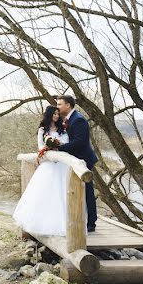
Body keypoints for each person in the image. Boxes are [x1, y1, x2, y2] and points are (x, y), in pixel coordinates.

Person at [12, 105, 71, 236]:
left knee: (62, 192)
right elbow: (40, 147)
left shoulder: (63, 129)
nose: (56, 116)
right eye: (54, 114)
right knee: (45, 191)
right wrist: (49, 145)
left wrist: (58, 145)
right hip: (48, 164)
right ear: (49, 115)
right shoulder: (42, 129)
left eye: (57, 114)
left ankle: (64, 223)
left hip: (61, 164)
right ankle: (43, 223)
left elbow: (66, 143)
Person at [55, 95, 99, 232]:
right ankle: (81, 218)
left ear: (68, 105)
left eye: (60, 104)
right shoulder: (69, 119)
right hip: (76, 160)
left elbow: (79, 143)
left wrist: (59, 148)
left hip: (83, 160)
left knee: (87, 191)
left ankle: (91, 223)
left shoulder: (78, 119)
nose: (58, 107)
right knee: (79, 190)